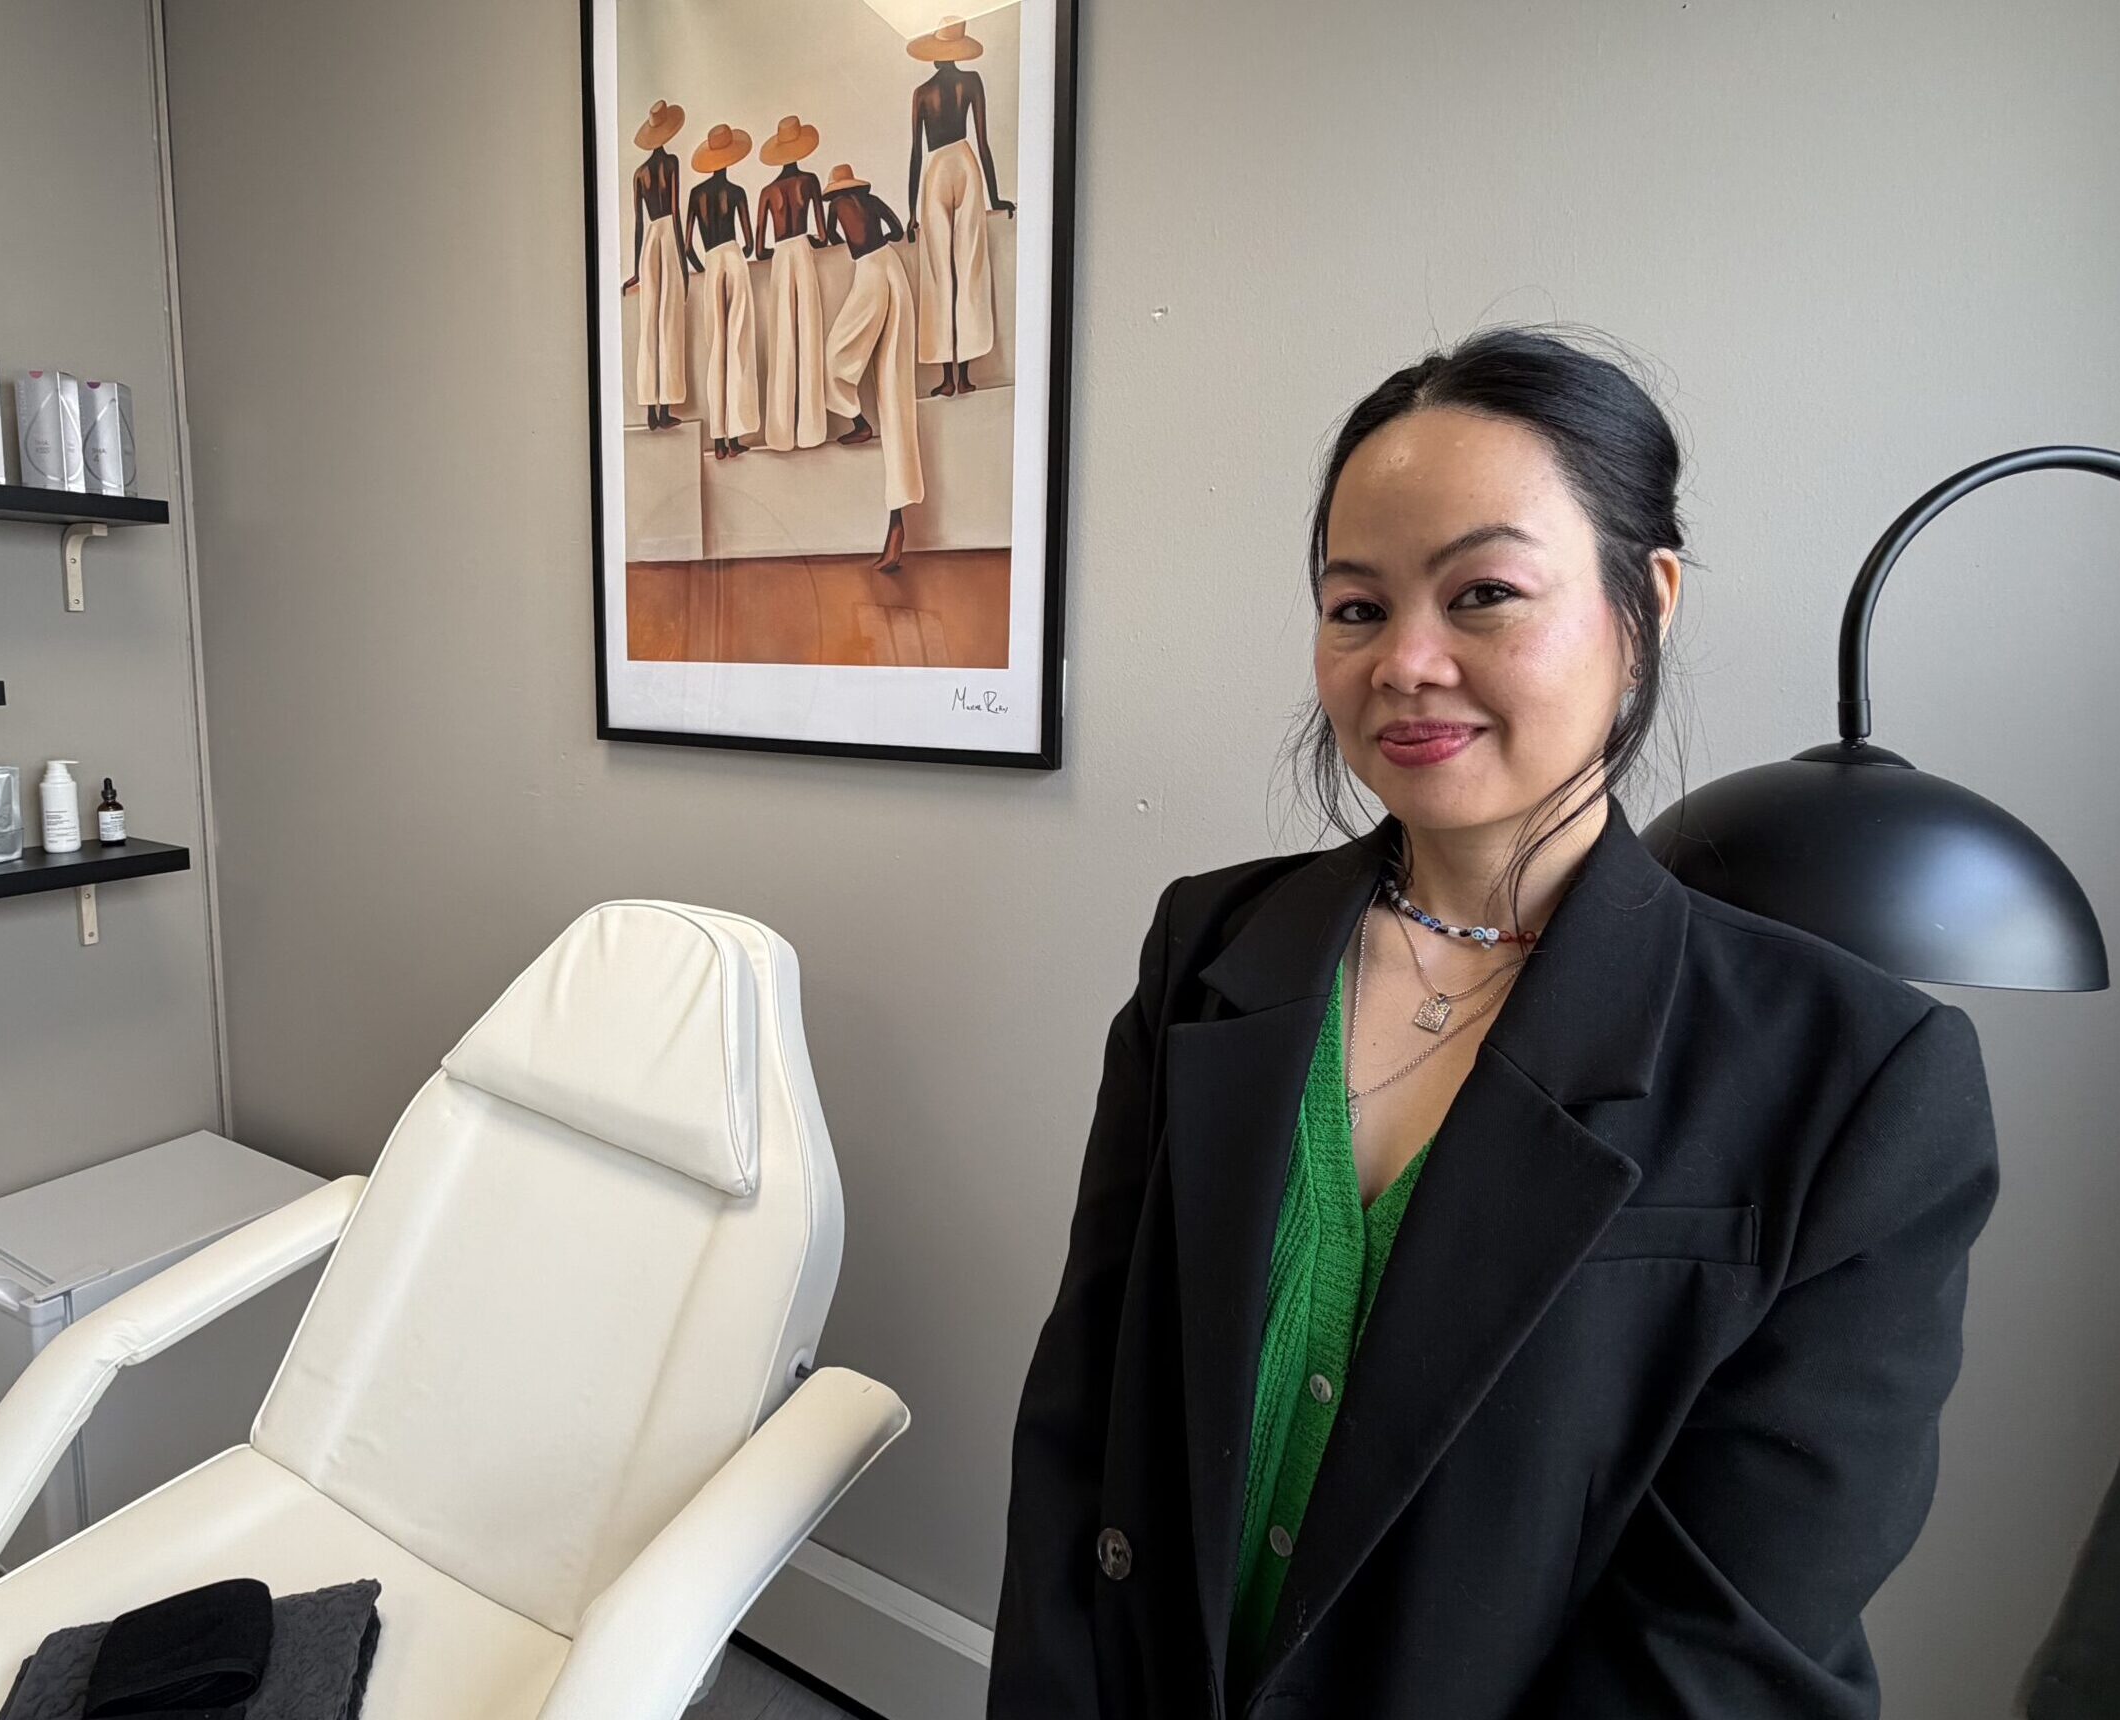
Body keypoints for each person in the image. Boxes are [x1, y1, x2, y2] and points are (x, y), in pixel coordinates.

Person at [988, 326, 2001, 1719]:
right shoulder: (1209, 949)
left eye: (1483, 595)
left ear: (1645, 603)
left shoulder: (1858, 1078)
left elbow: (1723, 1643)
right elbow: (1085, 1423)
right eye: (1356, 608)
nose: (1406, 662)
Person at [818, 163, 921, 572]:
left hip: (871, 275)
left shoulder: (835, 208)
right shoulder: (870, 200)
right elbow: (895, 230)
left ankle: (858, 421)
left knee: (834, 357)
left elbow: (829, 239)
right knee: (896, 390)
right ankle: (897, 524)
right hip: (893, 268)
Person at [904, 17, 1014, 399]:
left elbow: (915, 152)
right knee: (969, 265)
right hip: (966, 164)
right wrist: (996, 198)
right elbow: (983, 142)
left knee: (938, 270)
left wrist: (911, 211)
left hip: (936, 169)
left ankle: (947, 377)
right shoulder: (971, 81)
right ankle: (964, 374)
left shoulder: (922, 92)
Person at [683, 122, 760, 460]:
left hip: (712, 262)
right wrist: (735, 255)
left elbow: (687, 247)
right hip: (734, 258)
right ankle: (735, 435)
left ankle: (718, 438)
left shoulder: (696, 195)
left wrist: (704, 268)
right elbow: (750, 243)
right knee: (738, 345)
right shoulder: (738, 192)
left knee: (717, 348)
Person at [754, 115, 831, 453]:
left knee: (782, 340)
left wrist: (779, 249)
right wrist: (809, 240)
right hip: (802, 250)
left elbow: (759, 250)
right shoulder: (809, 181)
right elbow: (823, 235)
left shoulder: (767, 192)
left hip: (781, 257)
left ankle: (780, 433)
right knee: (809, 334)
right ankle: (811, 430)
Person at [621, 100, 698, 432]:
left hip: (649, 242)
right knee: (668, 320)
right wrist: (682, 260)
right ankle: (664, 407)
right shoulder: (671, 163)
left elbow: (639, 224)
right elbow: (675, 213)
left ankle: (651, 411)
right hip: (666, 237)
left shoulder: (639, 173)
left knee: (649, 321)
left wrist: (637, 270)